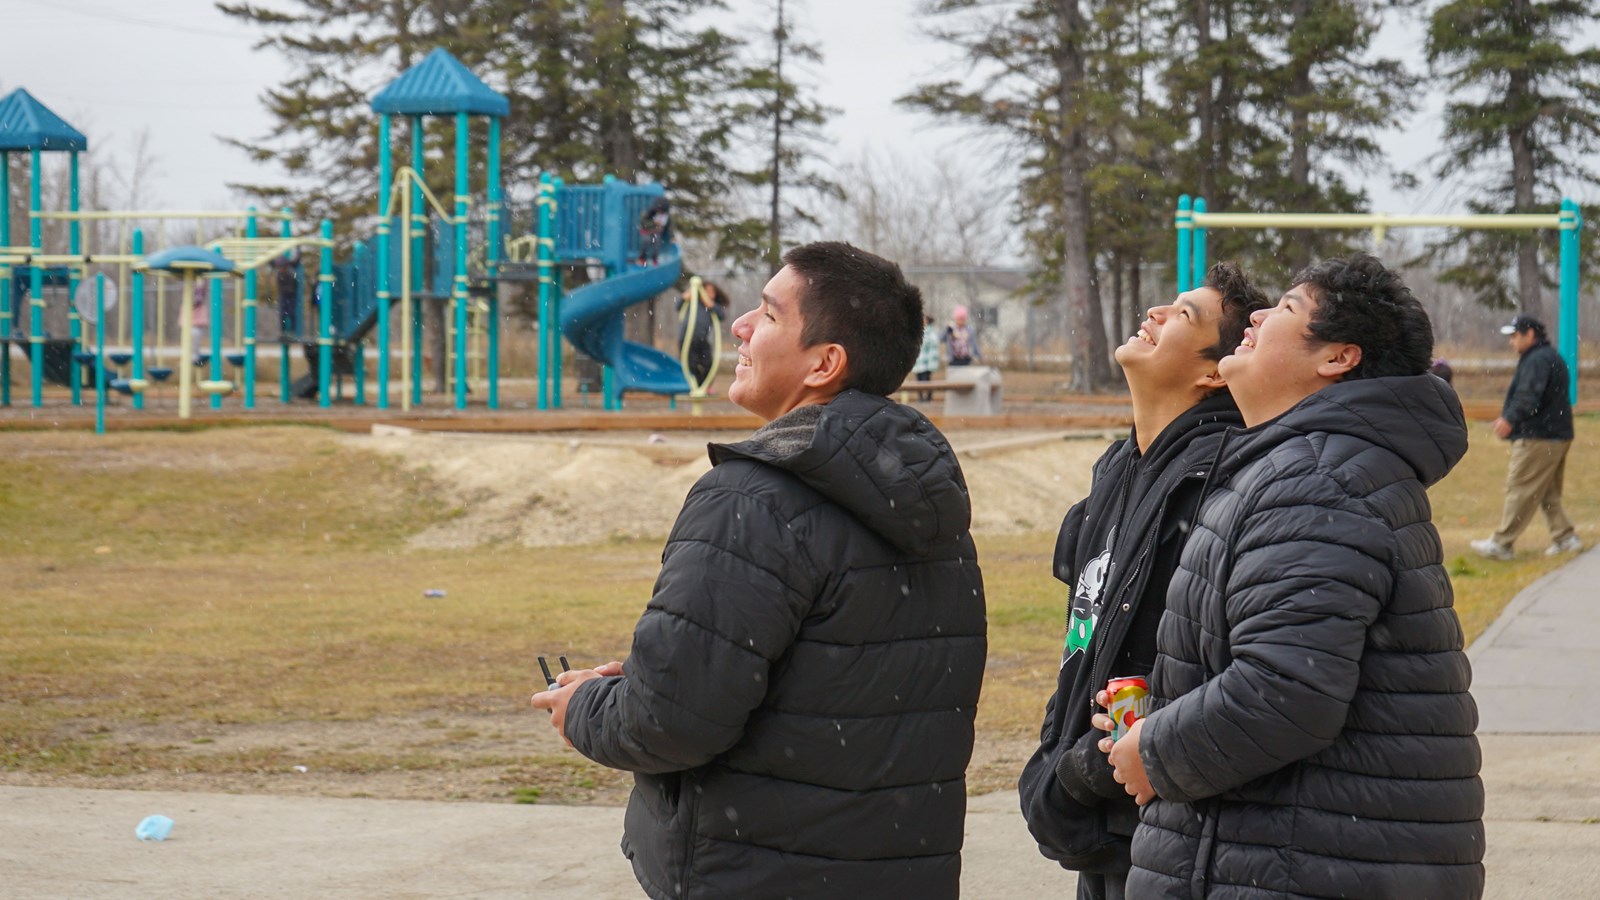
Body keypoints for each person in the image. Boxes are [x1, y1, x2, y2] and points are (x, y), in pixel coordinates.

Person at [531, 241, 987, 899]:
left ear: (825, 363)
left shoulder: (751, 499)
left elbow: (670, 723)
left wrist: (585, 708)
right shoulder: (927, 506)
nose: (739, 326)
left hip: (759, 873)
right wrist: (659, 671)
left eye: (769, 316)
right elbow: (847, 678)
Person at [1101, 254, 1485, 898]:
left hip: (1304, 863)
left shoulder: (1316, 480)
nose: (1254, 315)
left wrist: (1156, 752)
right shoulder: (1302, 466)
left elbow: (1286, 691)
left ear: (1336, 357)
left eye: (1283, 309)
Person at [1017, 263, 1268, 899]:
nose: (1155, 313)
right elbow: (1085, 633)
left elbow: (1201, 672)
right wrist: (1060, 758)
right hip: (1099, 816)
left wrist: (1085, 773)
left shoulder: (1220, 478)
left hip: (1163, 825)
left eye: (1184, 315)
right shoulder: (1120, 466)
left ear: (1214, 370)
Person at [1471, 315, 1580, 559]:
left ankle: (1502, 544)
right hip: (1556, 434)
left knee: (1520, 487)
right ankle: (1566, 538)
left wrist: (1509, 418)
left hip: (1539, 436)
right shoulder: (1548, 356)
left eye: (1514, 335)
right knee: (1546, 491)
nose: (1511, 342)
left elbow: (1528, 396)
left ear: (1530, 334)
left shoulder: (1537, 360)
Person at [677, 280, 728, 388]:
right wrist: (684, 297)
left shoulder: (712, 306)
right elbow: (678, 307)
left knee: (708, 364)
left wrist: (712, 306)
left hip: (702, 339)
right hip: (686, 339)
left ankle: (705, 386)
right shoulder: (692, 302)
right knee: (690, 365)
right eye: (707, 291)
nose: (710, 294)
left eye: (712, 292)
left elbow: (722, 316)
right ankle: (695, 386)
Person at [913, 313, 941, 400]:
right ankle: (921, 398)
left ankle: (928, 398)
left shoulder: (931, 333)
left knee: (926, 381)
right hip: (918, 362)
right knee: (919, 381)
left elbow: (933, 345)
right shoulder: (916, 331)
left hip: (926, 363)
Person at [638, 197, 671, 266]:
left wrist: (672, 236)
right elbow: (643, 222)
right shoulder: (648, 213)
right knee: (646, 241)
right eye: (658, 209)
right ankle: (642, 257)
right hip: (646, 231)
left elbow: (670, 226)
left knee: (657, 242)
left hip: (656, 232)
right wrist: (654, 224)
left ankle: (654, 258)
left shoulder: (666, 216)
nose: (659, 211)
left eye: (661, 210)